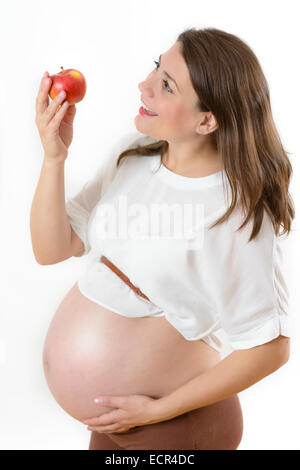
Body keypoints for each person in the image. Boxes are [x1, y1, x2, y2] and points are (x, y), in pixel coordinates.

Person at [32, 27, 294, 450]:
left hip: (177, 427)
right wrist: (53, 157)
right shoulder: (134, 154)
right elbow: (51, 250)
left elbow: (270, 348)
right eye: (157, 67)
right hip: (115, 423)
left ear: (207, 120)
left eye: (167, 84)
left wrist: (158, 411)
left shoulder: (236, 213)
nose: (144, 85)